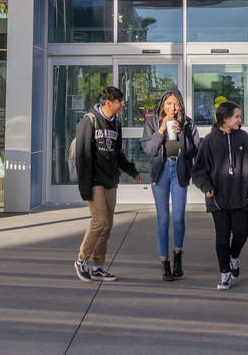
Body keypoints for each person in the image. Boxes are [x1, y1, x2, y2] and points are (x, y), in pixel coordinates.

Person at [73, 86, 141, 283]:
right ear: (108, 103)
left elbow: (118, 153)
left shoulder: (116, 124)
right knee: (100, 221)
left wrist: (132, 171)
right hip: (94, 181)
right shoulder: (89, 121)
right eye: (119, 101)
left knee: (107, 225)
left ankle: (98, 266)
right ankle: (81, 260)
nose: (122, 104)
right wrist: (84, 188)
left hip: (110, 180)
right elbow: (82, 156)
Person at [191, 101, 248, 291]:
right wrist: (206, 187)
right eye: (237, 116)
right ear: (225, 119)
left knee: (241, 233)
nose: (240, 120)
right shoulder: (209, 141)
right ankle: (225, 274)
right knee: (222, 237)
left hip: (240, 197)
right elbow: (198, 170)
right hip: (218, 199)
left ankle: (234, 257)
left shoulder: (244, 138)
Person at [141, 90, 200, 281]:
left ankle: (177, 257)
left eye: (175, 104)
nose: (172, 108)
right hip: (161, 171)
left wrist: (180, 133)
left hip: (179, 171)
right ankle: (164, 263)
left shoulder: (188, 123)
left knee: (178, 218)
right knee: (163, 220)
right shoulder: (152, 122)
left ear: (180, 106)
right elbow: (148, 148)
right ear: (162, 105)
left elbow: (194, 149)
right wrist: (161, 130)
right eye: (168, 104)